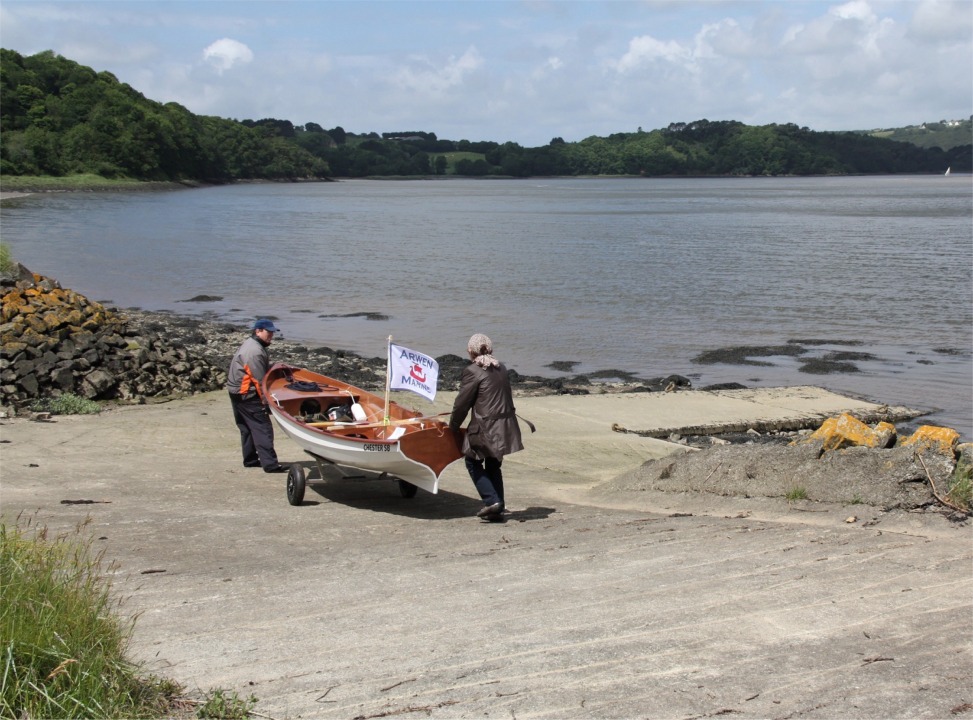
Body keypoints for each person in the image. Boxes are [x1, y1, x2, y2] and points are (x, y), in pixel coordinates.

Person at [449, 333, 524, 522]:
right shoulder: (502, 368)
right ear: (490, 349)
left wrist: (453, 426)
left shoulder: (472, 371)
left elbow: (462, 404)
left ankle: (492, 501)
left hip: (486, 427)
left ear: (470, 351)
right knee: (493, 464)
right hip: (505, 425)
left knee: (472, 461)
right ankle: (498, 506)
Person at [226, 319, 288, 473]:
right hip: (247, 394)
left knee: (246, 427)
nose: (271, 336)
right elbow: (259, 381)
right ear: (258, 331)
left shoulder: (251, 344)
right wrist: (267, 403)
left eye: (273, 332)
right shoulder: (255, 351)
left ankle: (250, 459)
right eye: (268, 332)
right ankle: (270, 464)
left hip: (236, 393)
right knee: (262, 427)